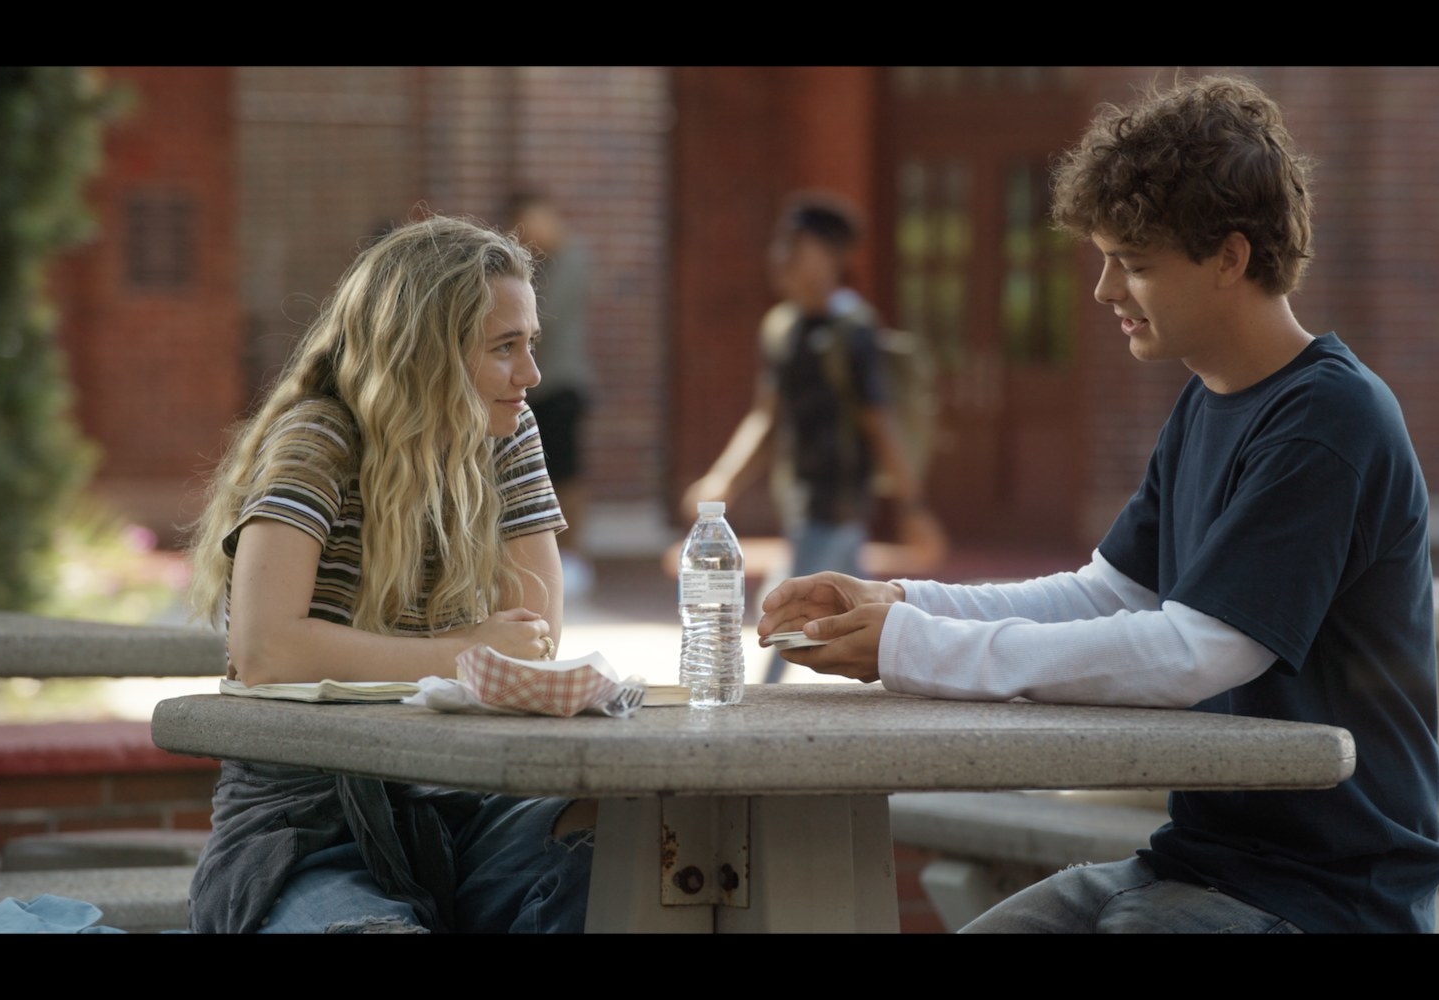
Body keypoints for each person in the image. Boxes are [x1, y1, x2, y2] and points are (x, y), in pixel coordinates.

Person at [758, 75, 1439, 933]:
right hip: (1192, 864)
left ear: (1230, 257)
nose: (1103, 292)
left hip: (1331, 898)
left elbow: (1197, 651)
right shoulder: (1207, 398)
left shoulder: (1329, 421)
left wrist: (915, 647)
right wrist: (900, 602)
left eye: (1134, 264)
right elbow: (1107, 593)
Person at [183, 214, 594, 933]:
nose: (531, 374)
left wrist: (484, 649)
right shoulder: (319, 436)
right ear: (424, 352)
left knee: (629, 858)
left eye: (529, 344)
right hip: (307, 832)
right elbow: (267, 651)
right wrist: (458, 652)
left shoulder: (504, 434)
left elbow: (530, 644)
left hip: (462, 810)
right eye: (505, 348)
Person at [682, 192, 937, 682]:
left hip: (838, 499)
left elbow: (877, 421)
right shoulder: (783, 328)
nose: (781, 258)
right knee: (845, 605)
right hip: (799, 496)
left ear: (832, 257)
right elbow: (766, 416)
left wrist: (912, 506)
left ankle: (757, 698)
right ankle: (889, 683)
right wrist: (724, 479)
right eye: (781, 245)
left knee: (787, 610)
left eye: (796, 247)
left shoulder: (854, 331)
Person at [508, 192, 598, 599]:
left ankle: (575, 554)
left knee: (567, 472)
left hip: (562, 384)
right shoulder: (533, 266)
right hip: (531, 388)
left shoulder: (571, 260)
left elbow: (544, 318)